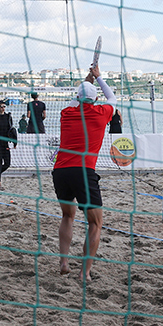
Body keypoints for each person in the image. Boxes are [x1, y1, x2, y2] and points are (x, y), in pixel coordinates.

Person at [53, 65, 117, 282]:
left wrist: (88, 80)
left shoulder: (66, 113)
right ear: (95, 99)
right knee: (95, 223)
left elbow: (75, 100)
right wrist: (98, 78)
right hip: (83, 171)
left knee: (67, 216)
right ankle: (85, 272)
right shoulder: (101, 113)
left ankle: (64, 262)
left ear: (78, 98)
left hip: (60, 171)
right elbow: (113, 98)